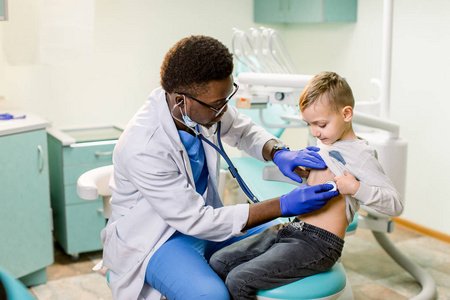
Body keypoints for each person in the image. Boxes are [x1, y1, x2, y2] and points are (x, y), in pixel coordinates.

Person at [99, 36, 338, 300]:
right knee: (212, 296)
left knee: (286, 237)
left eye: (227, 98)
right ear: (181, 101)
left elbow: (242, 129)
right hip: (156, 240)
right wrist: (282, 204)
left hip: (206, 225)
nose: (224, 110)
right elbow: (196, 220)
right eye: (218, 104)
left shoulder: (201, 108)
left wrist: (278, 152)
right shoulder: (143, 145)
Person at [209, 71, 405, 300]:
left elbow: (396, 204)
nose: (314, 132)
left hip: (320, 244)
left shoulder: (361, 155)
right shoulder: (326, 143)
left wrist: (355, 188)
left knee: (239, 280)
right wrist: (303, 174)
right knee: (219, 261)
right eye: (309, 124)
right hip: (291, 229)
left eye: (320, 124)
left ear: (347, 113)